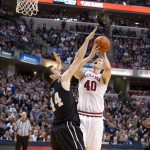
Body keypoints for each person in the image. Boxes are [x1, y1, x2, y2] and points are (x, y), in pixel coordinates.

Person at [42, 27, 99, 150]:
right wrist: (87, 40)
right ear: (52, 75)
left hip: (56, 130)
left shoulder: (51, 89)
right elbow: (77, 59)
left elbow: (58, 76)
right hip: (67, 127)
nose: (59, 70)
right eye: (56, 70)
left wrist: (59, 64)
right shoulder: (62, 80)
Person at [74, 49, 111, 150]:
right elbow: (74, 67)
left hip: (96, 119)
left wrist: (104, 55)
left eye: (100, 60)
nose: (97, 60)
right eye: (96, 59)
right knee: (79, 147)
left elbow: (108, 69)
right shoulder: (84, 75)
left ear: (102, 66)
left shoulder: (103, 78)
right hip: (81, 116)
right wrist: (89, 56)